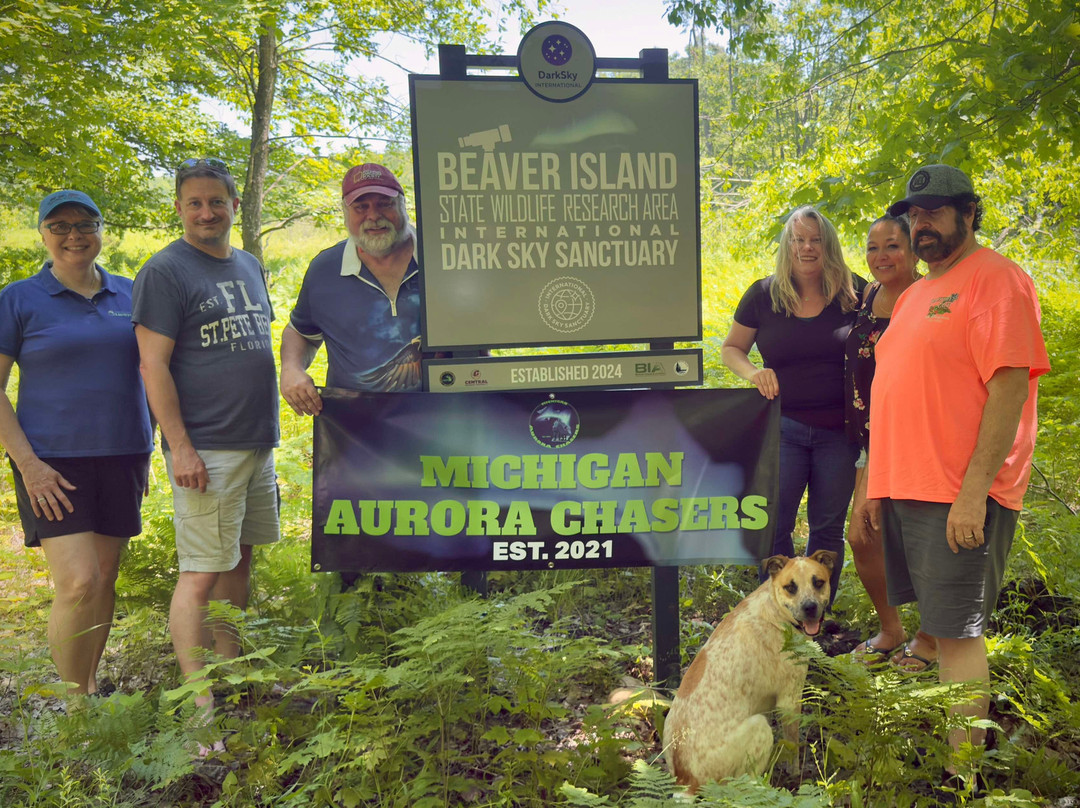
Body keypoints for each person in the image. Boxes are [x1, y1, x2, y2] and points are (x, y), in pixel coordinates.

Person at [867, 164, 1049, 782]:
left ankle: (962, 777)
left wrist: (974, 493)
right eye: (914, 214)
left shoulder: (996, 279)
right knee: (940, 632)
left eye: (935, 212)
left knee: (959, 633)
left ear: (969, 213)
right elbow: (898, 390)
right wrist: (876, 482)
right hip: (910, 486)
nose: (921, 224)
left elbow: (1009, 388)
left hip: (958, 492)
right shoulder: (917, 292)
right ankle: (959, 755)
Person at [132, 159, 279, 743]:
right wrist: (180, 447)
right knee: (199, 573)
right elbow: (153, 366)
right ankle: (199, 708)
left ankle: (231, 672)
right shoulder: (165, 271)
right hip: (207, 446)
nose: (206, 212)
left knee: (239, 560)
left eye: (216, 201)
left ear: (234, 205)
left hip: (255, 441)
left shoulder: (248, 264)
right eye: (194, 203)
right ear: (178, 208)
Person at [0, 191, 153, 696]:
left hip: (124, 453)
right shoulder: (19, 298)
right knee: (78, 581)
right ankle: (74, 710)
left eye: (85, 224)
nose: (74, 235)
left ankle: (87, 687)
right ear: (43, 234)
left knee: (104, 578)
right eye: (60, 226)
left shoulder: (132, 293)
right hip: (51, 463)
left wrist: (158, 441)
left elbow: (154, 370)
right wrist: (28, 464)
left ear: (101, 230)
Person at [722, 206, 863, 599]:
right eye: (798, 239)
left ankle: (815, 613)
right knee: (774, 525)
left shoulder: (854, 292)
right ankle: (775, 614)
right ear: (787, 245)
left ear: (828, 245)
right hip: (782, 429)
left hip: (839, 434)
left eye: (815, 240)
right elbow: (731, 349)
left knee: (827, 531)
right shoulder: (763, 294)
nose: (807, 247)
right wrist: (754, 373)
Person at [844, 215, 936, 666]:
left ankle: (931, 639)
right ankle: (891, 629)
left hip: (918, 434)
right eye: (872, 247)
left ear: (914, 250)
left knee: (924, 539)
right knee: (863, 536)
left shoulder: (929, 297)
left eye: (893, 246)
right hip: (871, 437)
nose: (881, 256)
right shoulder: (867, 295)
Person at [280, 163, 422, 415]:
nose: (373, 216)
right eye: (361, 207)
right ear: (345, 213)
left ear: (403, 205)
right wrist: (291, 368)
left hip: (445, 418)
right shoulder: (325, 270)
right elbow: (301, 332)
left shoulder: (445, 258)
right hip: (353, 426)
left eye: (385, 204)